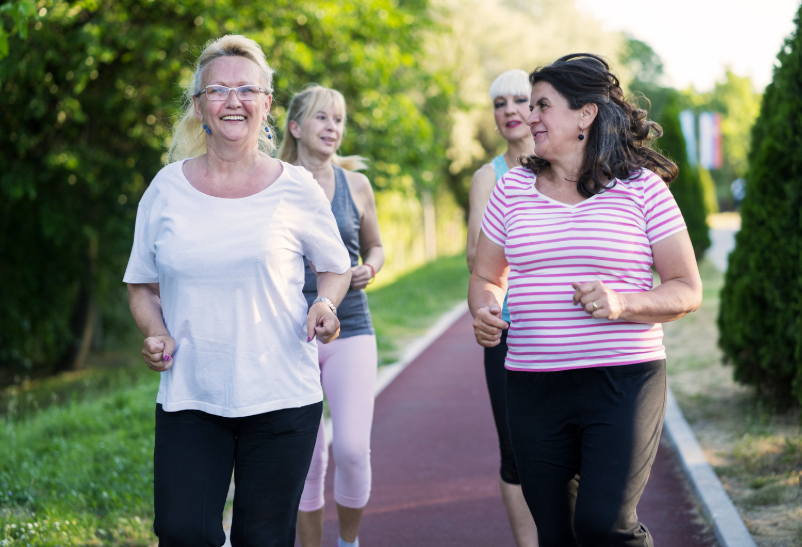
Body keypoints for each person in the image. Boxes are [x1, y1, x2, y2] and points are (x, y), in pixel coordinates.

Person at [124, 35, 353, 547]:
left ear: (267, 104)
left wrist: (324, 302)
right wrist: (155, 331)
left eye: (247, 89)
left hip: (281, 396)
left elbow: (335, 268)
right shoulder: (165, 189)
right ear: (199, 104)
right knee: (184, 533)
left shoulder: (296, 187)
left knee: (264, 538)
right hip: (191, 395)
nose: (233, 101)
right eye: (218, 90)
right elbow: (141, 285)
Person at [468, 53, 703, 547]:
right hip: (532, 385)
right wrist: (485, 308)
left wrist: (622, 304)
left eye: (542, 106)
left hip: (622, 381)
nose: (529, 117)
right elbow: (487, 274)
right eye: (530, 107)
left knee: (603, 525)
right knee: (555, 533)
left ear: (585, 115)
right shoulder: (511, 188)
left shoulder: (641, 188)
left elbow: (686, 288)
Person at [277, 85, 384, 547]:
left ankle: (349, 542)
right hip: (288, 333)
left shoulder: (356, 184)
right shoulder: (273, 182)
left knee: (352, 450)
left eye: (338, 120)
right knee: (308, 457)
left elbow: (375, 246)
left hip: (352, 327)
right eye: (322, 118)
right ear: (296, 127)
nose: (332, 128)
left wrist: (369, 268)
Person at [465, 69, 538, 547]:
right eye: (499, 103)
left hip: (565, 325)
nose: (509, 110)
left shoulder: (570, 167)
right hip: (506, 326)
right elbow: (476, 257)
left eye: (519, 100)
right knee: (514, 453)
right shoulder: (488, 177)